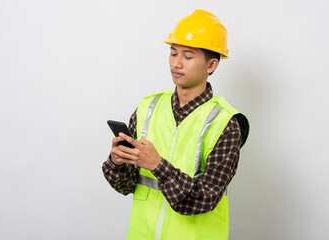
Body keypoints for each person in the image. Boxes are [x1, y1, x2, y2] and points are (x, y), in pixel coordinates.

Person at [102, 9, 249, 240]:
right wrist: (117, 163)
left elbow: (205, 198)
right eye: (173, 53)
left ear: (211, 65)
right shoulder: (147, 108)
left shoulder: (226, 124)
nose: (177, 63)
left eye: (188, 56)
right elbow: (126, 187)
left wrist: (157, 164)